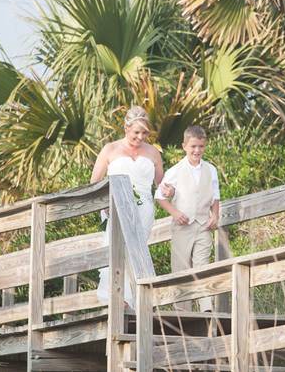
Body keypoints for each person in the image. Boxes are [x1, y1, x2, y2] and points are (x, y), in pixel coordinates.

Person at [90, 106, 164, 308]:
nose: (140, 137)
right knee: (117, 248)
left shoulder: (153, 153)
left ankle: (137, 299)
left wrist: (171, 191)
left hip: (144, 209)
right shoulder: (110, 149)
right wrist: (104, 202)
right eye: (136, 132)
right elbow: (94, 182)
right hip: (117, 209)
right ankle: (117, 298)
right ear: (126, 128)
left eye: (145, 133)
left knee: (137, 251)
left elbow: (161, 185)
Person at [155, 125, 221, 310]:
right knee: (181, 267)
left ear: (205, 146)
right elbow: (159, 196)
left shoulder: (211, 170)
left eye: (200, 146)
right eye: (193, 146)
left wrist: (215, 215)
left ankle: (206, 308)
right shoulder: (175, 170)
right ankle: (183, 312)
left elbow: (215, 196)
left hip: (203, 225)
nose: (197, 150)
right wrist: (175, 213)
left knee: (203, 265)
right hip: (182, 226)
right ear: (184, 146)